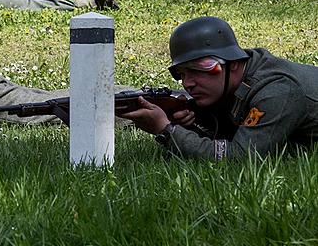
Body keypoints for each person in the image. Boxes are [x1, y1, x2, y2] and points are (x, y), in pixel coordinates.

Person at [121, 16, 318, 160]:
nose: (188, 83)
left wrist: (167, 131)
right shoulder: (241, 77)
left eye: (197, 70)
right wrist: (193, 124)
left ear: (232, 63)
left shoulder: (277, 91)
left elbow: (240, 157)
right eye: (181, 74)